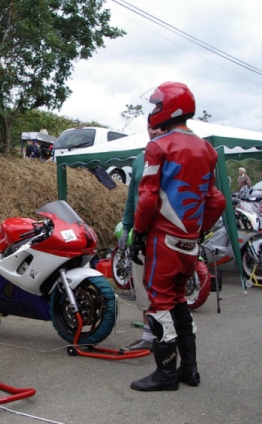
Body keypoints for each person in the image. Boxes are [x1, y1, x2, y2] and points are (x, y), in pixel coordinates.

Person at [130, 82, 226, 392]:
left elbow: (146, 198)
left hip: (163, 239)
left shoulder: (158, 146)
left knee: (159, 302)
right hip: (190, 243)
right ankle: (190, 371)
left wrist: (139, 233)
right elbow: (217, 200)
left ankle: (166, 374)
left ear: (168, 108)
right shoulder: (207, 149)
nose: (153, 111)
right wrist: (197, 231)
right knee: (179, 300)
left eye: (157, 105)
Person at [119, 123, 166, 351]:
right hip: (141, 235)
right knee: (142, 283)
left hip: (165, 234)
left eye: (159, 127)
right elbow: (132, 199)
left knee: (165, 289)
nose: (154, 131)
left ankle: (165, 337)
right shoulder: (139, 160)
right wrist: (127, 228)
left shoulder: (173, 157)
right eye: (151, 127)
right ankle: (148, 335)